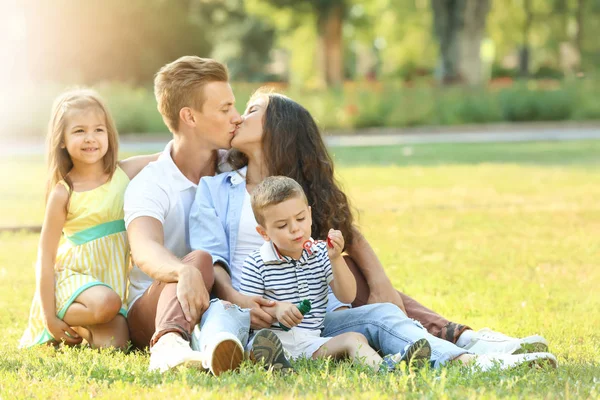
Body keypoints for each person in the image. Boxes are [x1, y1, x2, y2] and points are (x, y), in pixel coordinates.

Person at [189, 89, 558, 371]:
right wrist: (242, 301)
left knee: (384, 313)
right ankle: (224, 352)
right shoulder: (217, 188)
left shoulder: (303, 190)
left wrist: (371, 280)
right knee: (221, 314)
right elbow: (213, 257)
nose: (238, 118)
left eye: (252, 111)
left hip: (315, 315)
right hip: (250, 307)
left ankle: (469, 358)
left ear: (279, 128)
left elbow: (346, 248)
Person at [123, 56, 290, 375]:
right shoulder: (152, 182)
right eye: (225, 109)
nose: (237, 118)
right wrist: (183, 272)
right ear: (190, 117)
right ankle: (167, 345)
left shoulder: (238, 167)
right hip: (155, 308)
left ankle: (413, 321)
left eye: (235, 107)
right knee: (197, 260)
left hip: (221, 302)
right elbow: (144, 249)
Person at [239, 176, 432, 371]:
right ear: (264, 233)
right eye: (282, 225)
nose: (295, 228)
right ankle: (273, 360)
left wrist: (336, 258)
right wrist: (276, 310)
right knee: (260, 344)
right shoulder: (256, 263)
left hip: (311, 342)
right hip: (273, 339)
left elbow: (347, 296)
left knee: (354, 339)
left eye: (300, 218)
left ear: (310, 214)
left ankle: (387, 369)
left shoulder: (321, 253)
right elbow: (248, 313)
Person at [20, 88, 157, 349]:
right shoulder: (64, 192)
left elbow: (174, 155)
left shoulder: (124, 173)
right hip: (74, 280)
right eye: (79, 131)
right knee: (107, 303)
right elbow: (45, 256)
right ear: (61, 139)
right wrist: (49, 317)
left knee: (116, 344)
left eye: (98, 130)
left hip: (108, 287)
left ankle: (79, 326)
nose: (90, 138)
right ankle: (56, 316)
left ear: (109, 134)